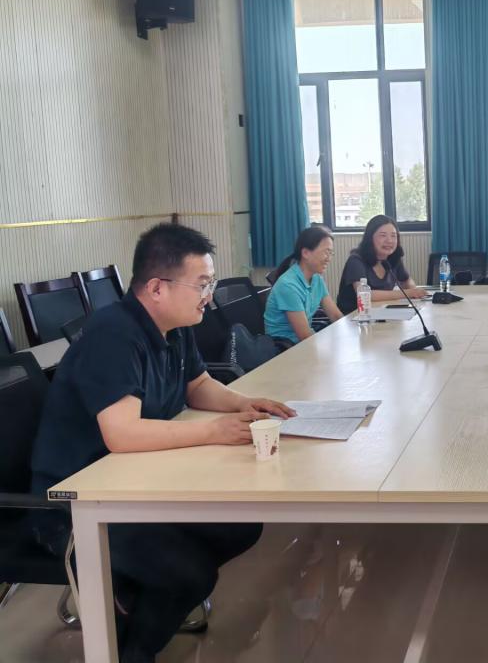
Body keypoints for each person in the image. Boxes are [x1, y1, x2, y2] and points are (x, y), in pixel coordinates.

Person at [30, 223, 296, 663]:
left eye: (210, 283)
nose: (208, 295)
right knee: (189, 574)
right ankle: (131, 649)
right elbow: (122, 434)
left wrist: (244, 403)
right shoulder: (114, 334)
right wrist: (214, 431)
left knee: (242, 525)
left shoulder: (176, 324)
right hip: (76, 503)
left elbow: (198, 385)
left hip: (135, 482)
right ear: (156, 288)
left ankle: (134, 597)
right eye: (201, 284)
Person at [264, 225, 343, 345]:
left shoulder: (316, 279)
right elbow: (305, 335)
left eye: (331, 253)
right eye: (326, 252)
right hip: (284, 348)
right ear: (306, 253)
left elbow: (335, 315)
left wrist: (352, 332)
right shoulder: (288, 285)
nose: (329, 258)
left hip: (303, 344)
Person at [337, 215, 426, 314]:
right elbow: (366, 295)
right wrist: (408, 293)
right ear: (370, 237)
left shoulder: (393, 258)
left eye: (393, 236)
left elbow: (407, 281)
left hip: (380, 313)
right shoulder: (356, 260)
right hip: (355, 317)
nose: (389, 240)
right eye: (383, 235)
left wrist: (413, 290)